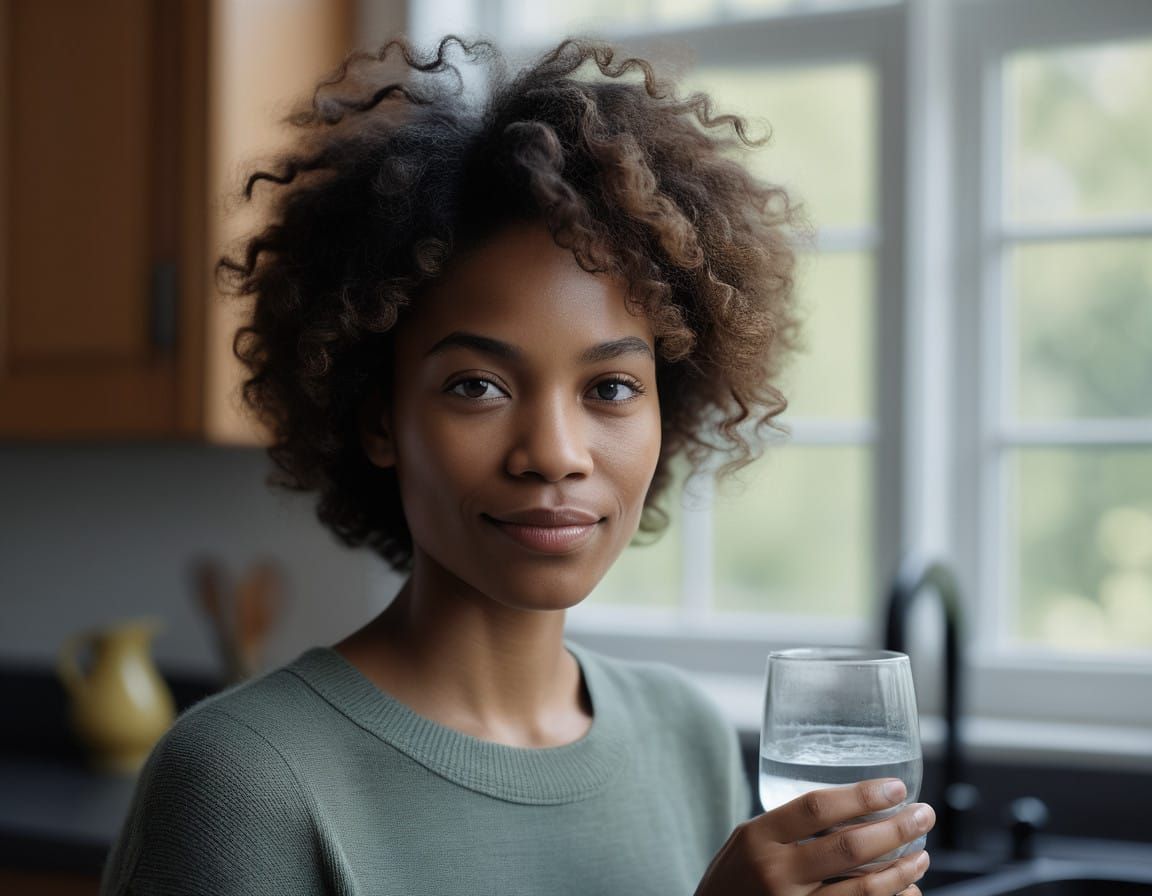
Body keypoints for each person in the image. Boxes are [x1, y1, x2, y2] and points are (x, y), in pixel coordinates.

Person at [100, 36, 934, 896]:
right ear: (378, 417)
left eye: (610, 387)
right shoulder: (240, 783)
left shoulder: (686, 738)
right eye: (477, 385)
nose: (555, 455)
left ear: (667, 409)